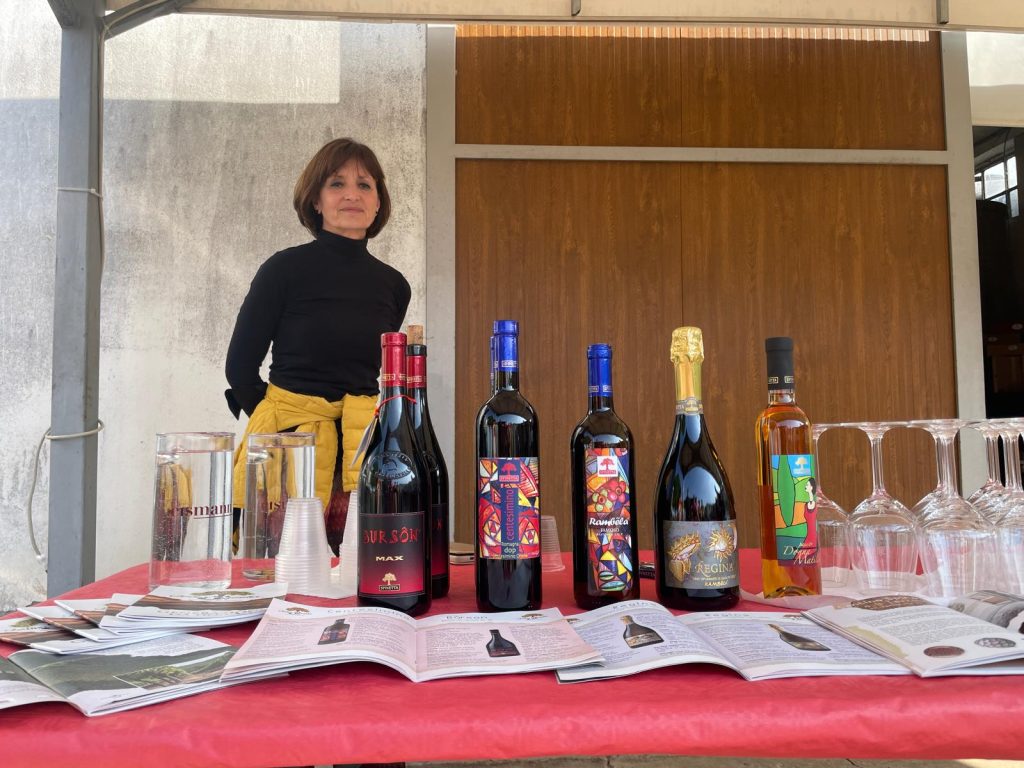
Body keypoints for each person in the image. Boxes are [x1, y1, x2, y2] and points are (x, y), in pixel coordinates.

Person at [225, 138, 411, 553]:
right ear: (316, 200)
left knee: (361, 566)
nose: (351, 195)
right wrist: (283, 430)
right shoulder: (282, 270)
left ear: (378, 202)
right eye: (336, 183)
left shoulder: (394, 286)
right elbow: (239, 370)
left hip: (361, 446)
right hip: (288, 448)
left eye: (365, 185)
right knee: (279, 567)